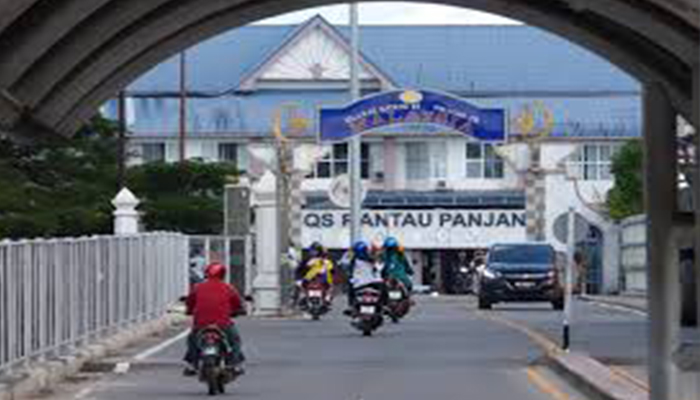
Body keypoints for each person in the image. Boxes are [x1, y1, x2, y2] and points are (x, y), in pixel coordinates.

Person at [184, 263, 245, 376]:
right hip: (223, 324)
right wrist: (239, 311)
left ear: (207, 274)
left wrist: (189, 311)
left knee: (192, 340)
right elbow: (237, 305)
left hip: (201, 323)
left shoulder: (198, 287)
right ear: (223, 274)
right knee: (235, 341)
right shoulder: (228, 288)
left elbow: (190, 303)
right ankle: (234, 364)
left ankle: (192, 364)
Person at [344, 241, 385, 315]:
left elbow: (346, 267)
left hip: (360, 283)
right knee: (383, 289)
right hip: (371, 282)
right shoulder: (371, 259)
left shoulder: (355, 260)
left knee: (350, 289)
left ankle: (351, 306)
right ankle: (384, 305)